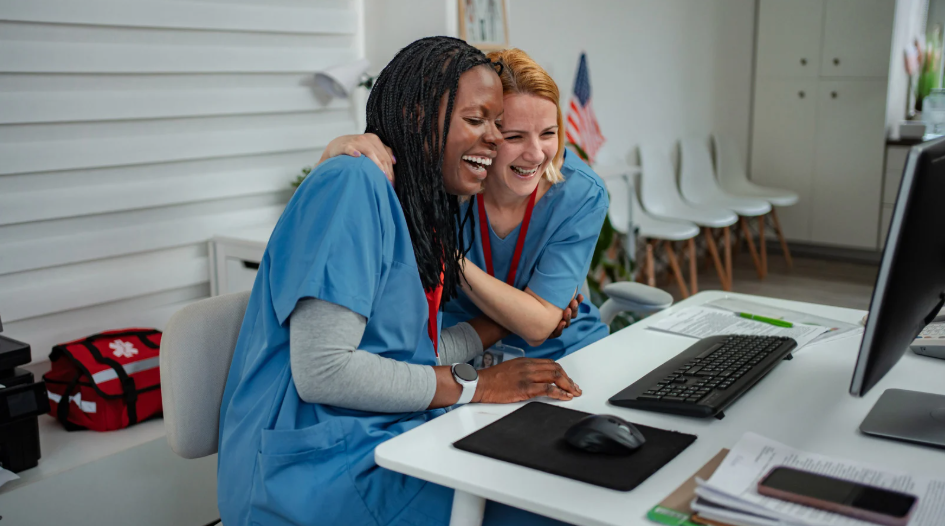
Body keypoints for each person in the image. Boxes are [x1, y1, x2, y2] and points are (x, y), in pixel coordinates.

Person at [217, 37, 579, 526]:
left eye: (498, 124)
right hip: (308, 476)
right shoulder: (353, 183)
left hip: (372, 445)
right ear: (416, 115)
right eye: (477, 120)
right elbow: (324, 369)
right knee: (541, 510)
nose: (495, 138)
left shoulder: (416, 210)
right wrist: (475, 386)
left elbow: (410, 354)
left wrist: (507, 326)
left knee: (547, 483)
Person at [320, 48, 611, 362]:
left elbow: (540, 327)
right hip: (458, 356)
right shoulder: (442, 176)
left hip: (562, 355)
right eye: (514, 137)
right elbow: (327, 225)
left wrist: (441, 252)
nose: (536, 154)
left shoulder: (580, 192)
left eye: (548, 134)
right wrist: (334, 151)